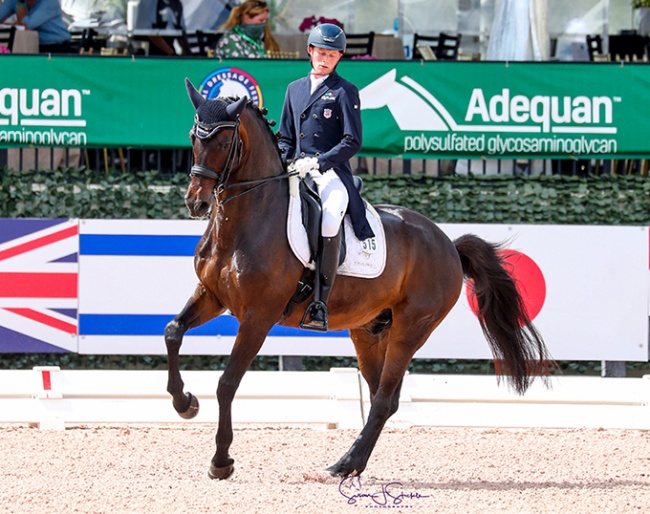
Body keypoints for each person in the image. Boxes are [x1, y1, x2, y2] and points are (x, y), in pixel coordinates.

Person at [278, 23, 375, 332]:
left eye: (331, 55)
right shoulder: (294, 89)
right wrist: (286, 160)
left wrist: (318, 162)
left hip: (330, 173)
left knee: (331, 219)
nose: (325, 59)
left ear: (339, 57)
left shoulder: (344, 91)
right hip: (295, 170)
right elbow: (284, 136)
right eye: (320, 52)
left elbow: (352, 141)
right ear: (310, 51)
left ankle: (320, 301)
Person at [0, 0, 73, 54]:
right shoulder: (13, 1)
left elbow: (27, 25)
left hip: (56, 47)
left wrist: (21, 4)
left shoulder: (49, 2)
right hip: (30, 46)